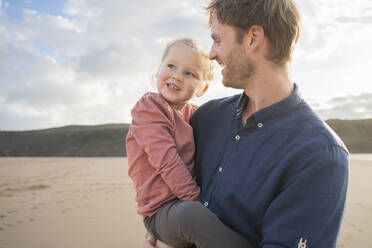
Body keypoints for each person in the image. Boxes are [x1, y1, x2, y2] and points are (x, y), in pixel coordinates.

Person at [145, 0, 349, 247]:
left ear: (253, 38)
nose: (211, 54)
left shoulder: (320, 156)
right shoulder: (204, 119)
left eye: (218, 40)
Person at [126, 38, 253, 248]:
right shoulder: (149, 107)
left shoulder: (195, 115)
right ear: (159, 70)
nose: (177, 75)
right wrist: (198, 202)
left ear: (202, 89)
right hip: (159, 211)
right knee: (192, 216)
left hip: (186, 203)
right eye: (171, 66)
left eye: (189, 73)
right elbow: (167, 162)